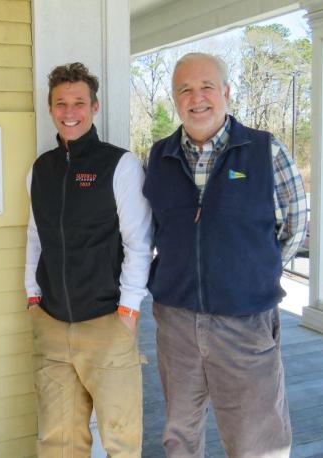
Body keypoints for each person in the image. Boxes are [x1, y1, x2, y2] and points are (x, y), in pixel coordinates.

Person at [143, 52, 307, 457]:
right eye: (185, 89)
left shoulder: (266, 152)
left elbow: (295, 223)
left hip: (245, 323)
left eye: (206, 87)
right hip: (177, 323)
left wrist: (252, 272)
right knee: (180, 434)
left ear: (227, 93)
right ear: (175, 99)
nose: (196, 98)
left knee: (257, 440)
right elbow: (151, 230)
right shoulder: (159, 157)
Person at [25, 62, 152, 457]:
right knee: (58, 441)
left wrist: (128, 310)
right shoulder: (40, 169)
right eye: (60, 103)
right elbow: (35, 235)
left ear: (94, 107)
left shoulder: (120, 165)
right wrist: (32, 295)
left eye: (79, 102)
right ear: (51, 109)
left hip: (107, 323)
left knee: (121, 439)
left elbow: (138, 241)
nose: (69, 111)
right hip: (51, 322)